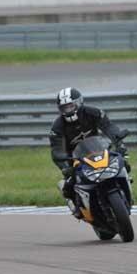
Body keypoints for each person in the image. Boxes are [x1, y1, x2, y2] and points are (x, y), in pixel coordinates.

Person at [49, 87, 127, 217]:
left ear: (79, 102)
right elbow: (56, 148)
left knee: (124, 163)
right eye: (64, 108)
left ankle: (125, 187)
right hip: (75, 159)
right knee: (69, 186)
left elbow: (109, 127)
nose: (67, 110)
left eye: (70, 106)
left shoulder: (94, 112)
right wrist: (64, 166)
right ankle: (78, 208)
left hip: (98, 151)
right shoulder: (57, 126)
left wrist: (118, 141)